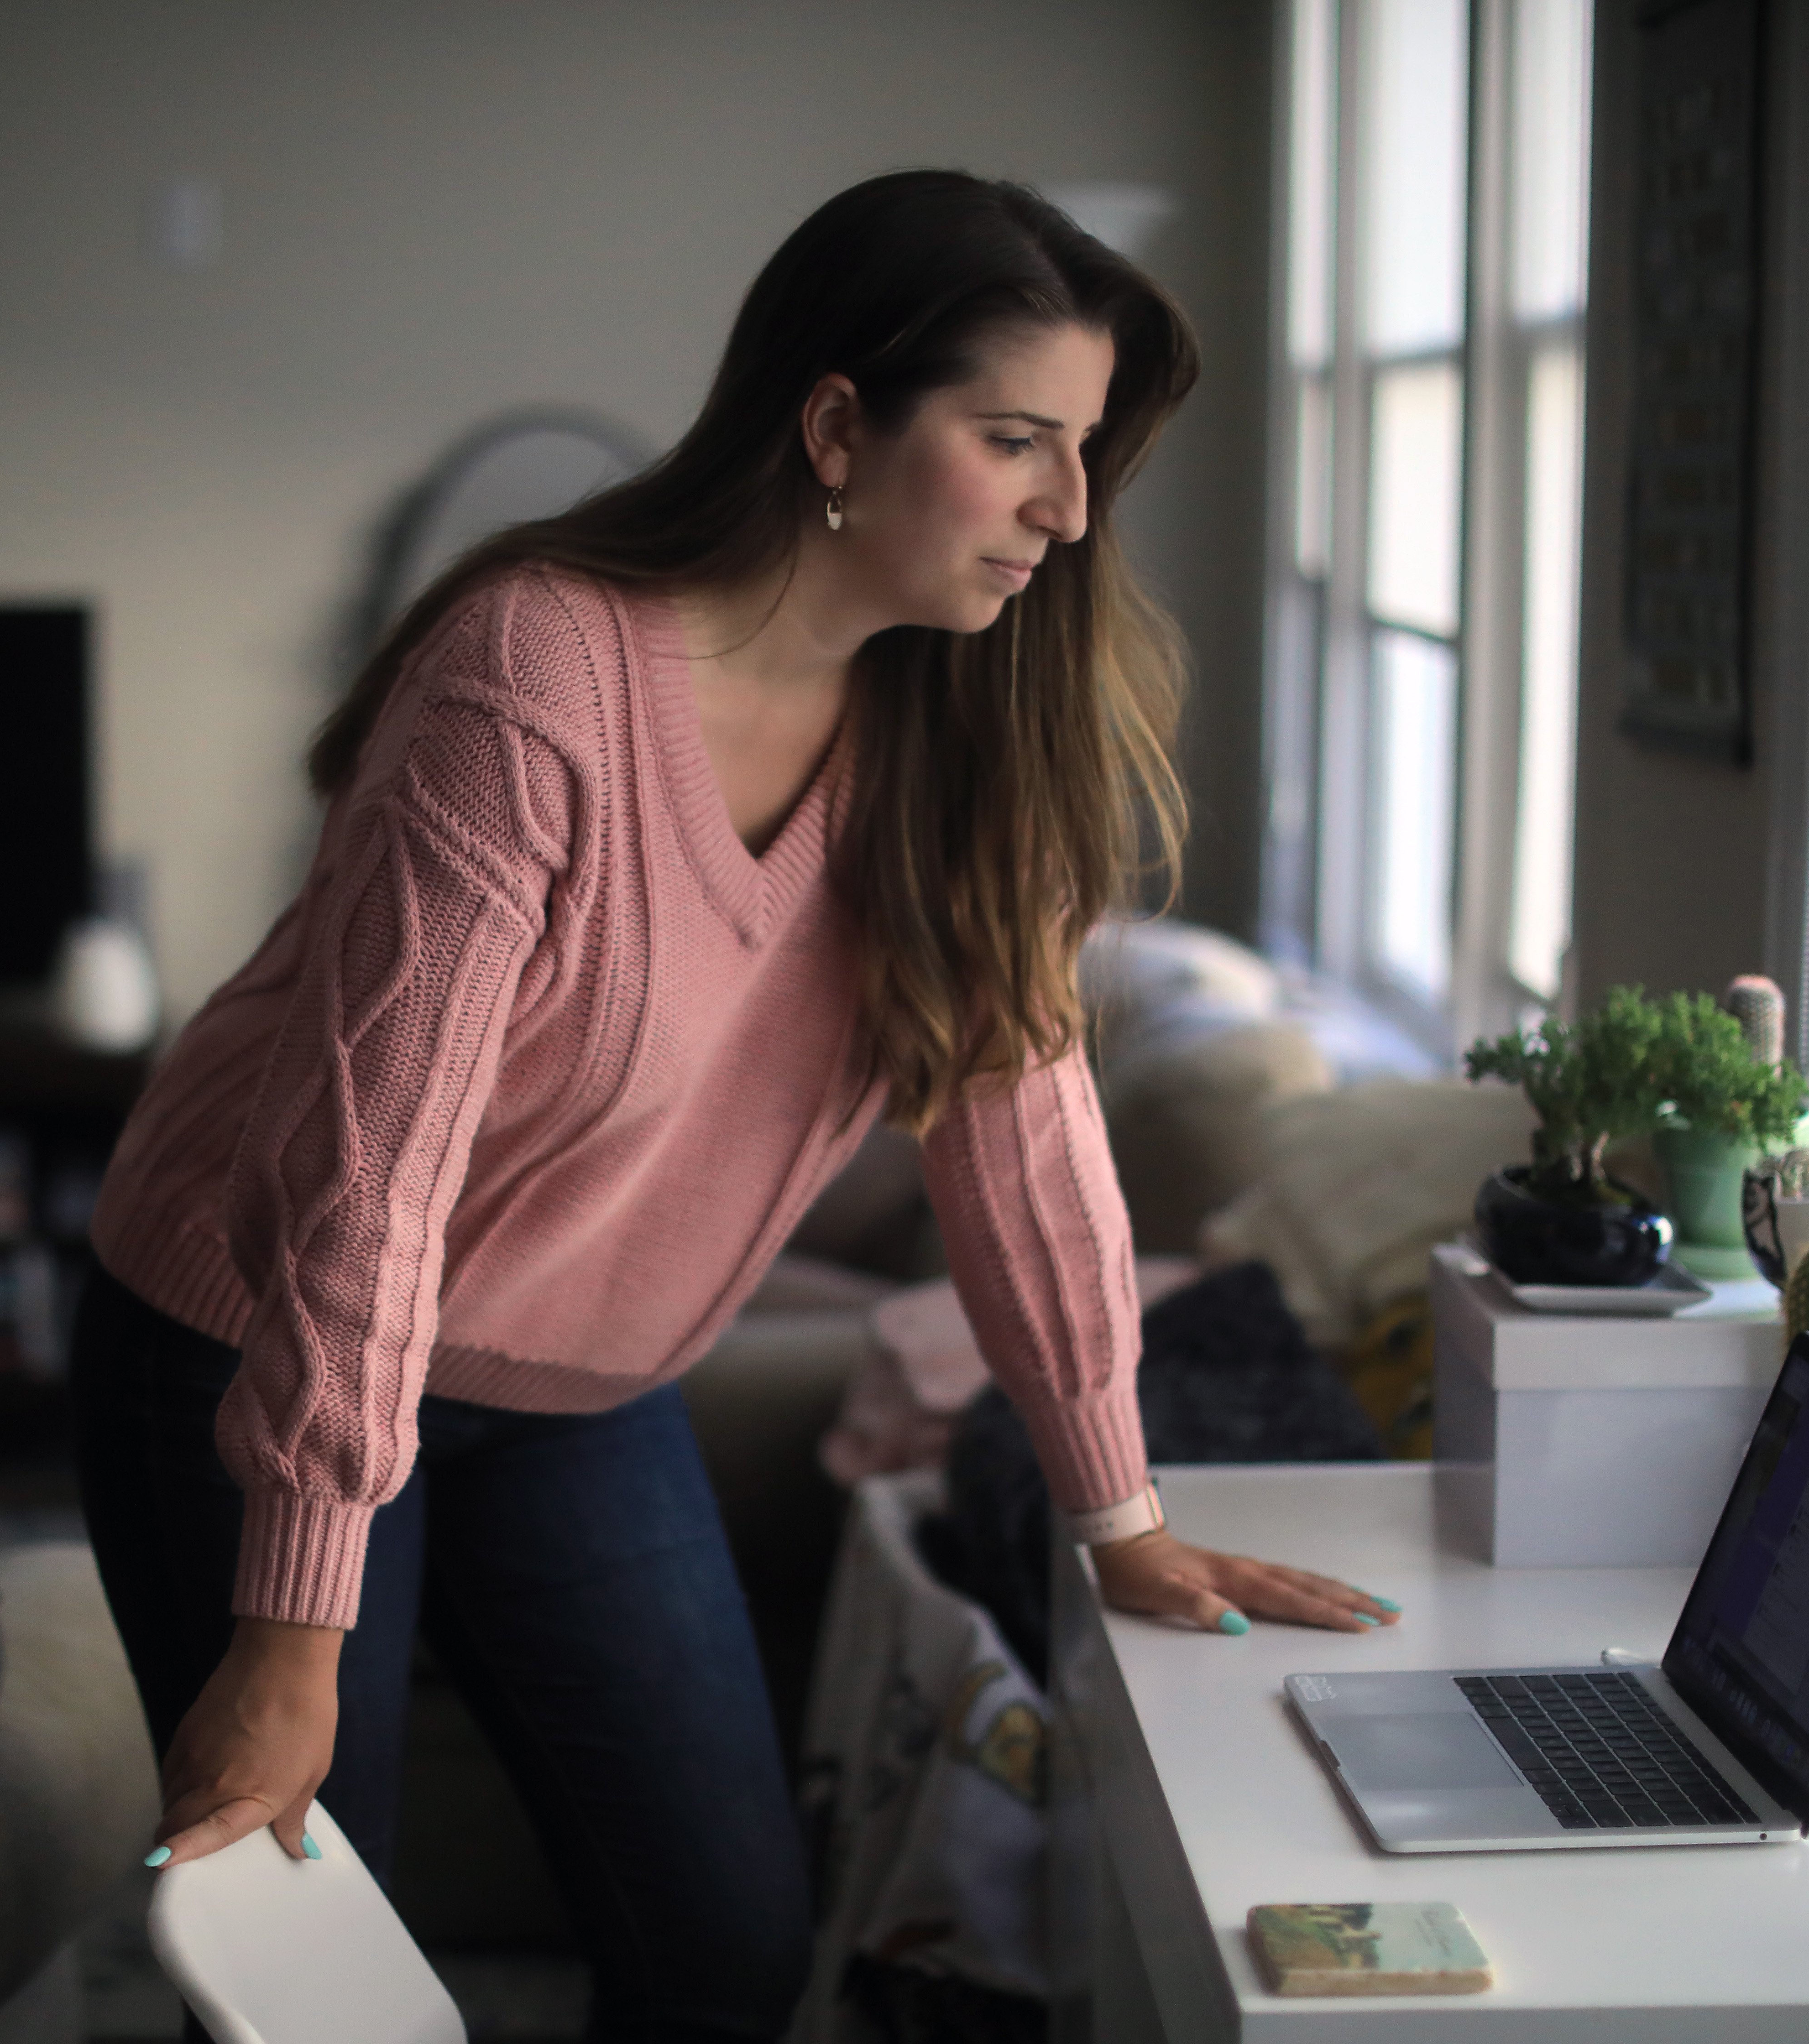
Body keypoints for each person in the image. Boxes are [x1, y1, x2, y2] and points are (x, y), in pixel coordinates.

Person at [72, 169, 1399, 2039]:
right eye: (1017, 440)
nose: (1070, 508)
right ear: (840, 422)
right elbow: (368, 1177)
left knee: (726, 1946)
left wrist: (1122, 1517)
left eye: (1084, 452)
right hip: (253, 1323)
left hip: (569, 1385)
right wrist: (294, 1626)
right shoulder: (535, 673)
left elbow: (1025, 1142)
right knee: (304, 1977)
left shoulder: (960, 734)